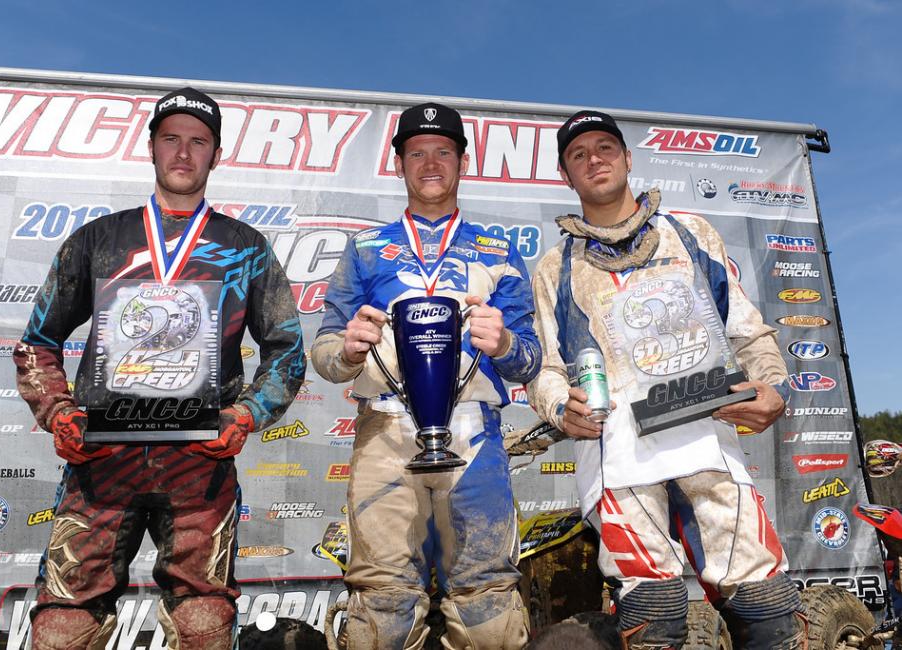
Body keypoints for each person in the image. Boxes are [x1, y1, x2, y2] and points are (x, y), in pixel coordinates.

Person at [13, 87, 305, 650]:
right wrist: (58, 411)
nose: (183, 152)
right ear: (150, 147)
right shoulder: (98, 240)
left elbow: (287, 349)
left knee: (204, 621)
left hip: (199, 463)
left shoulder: (246, 247)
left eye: (199, 141)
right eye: (171, 138)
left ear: (216, 154)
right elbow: (38, 341)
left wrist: (246, 414)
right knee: (64, 622)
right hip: (102, 461)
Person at [526, 110, 802, 650]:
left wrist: (775, 387)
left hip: (706, 441)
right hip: (617, 456)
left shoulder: (690, 233)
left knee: (765, 602)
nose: (594, 160)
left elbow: (746, 331)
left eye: (605, 148)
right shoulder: (554, 266)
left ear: (629, 159)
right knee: (652, 614)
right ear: (565, 174)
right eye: (578, 154)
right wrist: (560, 406)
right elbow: (545, 368)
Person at [310, 102, 540, 649]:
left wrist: (505, 344)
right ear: (399, 164)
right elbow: (324, 351)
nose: (430, 163)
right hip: (385, 432)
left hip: (474, 433)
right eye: (417, 153)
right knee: (382, 603)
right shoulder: (365, 249)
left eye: (443, 152)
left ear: (463, 161)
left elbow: (531, 359)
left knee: (487, 600)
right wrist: (347, 351)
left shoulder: (499, 251)